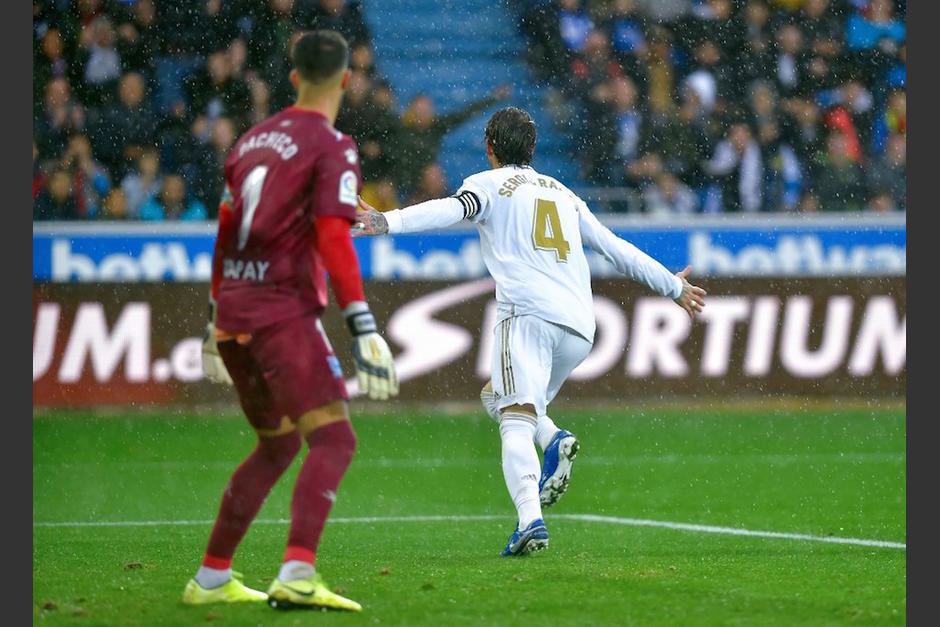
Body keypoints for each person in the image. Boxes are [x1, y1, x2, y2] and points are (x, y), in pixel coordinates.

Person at [353, 106, 706, 556]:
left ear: (489, 147)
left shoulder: (487, 184)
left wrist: (388, 220)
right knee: (496, 397)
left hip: (526, 316)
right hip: (579, 327)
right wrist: (673, 286)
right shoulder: (564, 194)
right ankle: (552, 438)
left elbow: (450, 210)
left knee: (514, 419)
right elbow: (615, 248)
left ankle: (529, 522)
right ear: (533, 149)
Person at [182, 30, 398, 611]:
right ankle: (298, 573)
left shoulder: (251, 140)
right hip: (280, 311)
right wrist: (363, 325)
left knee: (277, 445)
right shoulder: (333, 145)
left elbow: (227, 230)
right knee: (334, 439)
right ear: (346, 80)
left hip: (235, 313)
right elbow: (333, 235)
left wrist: (213, 318)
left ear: (295, 78)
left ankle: (211, 578)